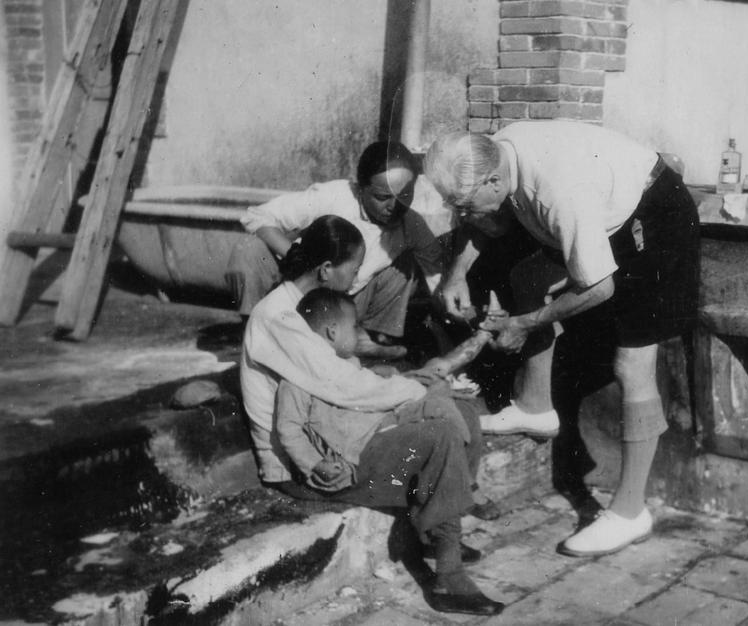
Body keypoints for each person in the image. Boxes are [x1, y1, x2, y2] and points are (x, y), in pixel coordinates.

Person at [423, 121, 700, 557]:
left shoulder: (559, 192)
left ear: (494, 181)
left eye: (463, 204)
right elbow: (482, 221)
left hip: (654, 217)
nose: (461, 214)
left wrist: (524, 323)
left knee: (632, 365)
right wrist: (456, 274)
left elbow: (599, 287)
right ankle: (536, 408)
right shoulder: (496, 153)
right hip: (604, 209)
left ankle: (630, 512)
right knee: (530, 276)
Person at [240, 216, 503, 615]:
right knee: (439, 434)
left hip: (344, 431)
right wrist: (415, 388)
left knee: (462, 412)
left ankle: (437, 533)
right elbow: (346, 387)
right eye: (353, 268)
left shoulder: (306, 308)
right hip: (314, 464)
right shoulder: (279, 317)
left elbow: (345, 380)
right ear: (326, 269)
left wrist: (411, 383)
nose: (357, 278)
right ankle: (448, 578)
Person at [227, 140, 447, 358]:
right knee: (250, 249)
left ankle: (365, 339)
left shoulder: (411, 224)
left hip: (346, 305)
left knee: (406, 265)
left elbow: (437, 271)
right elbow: (257, 216)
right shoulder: (334, 195)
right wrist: (296, 255)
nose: (394, 206)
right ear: (361, 188)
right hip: (300, 287)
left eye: (404, 195)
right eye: (382, 197)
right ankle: (256, 335)